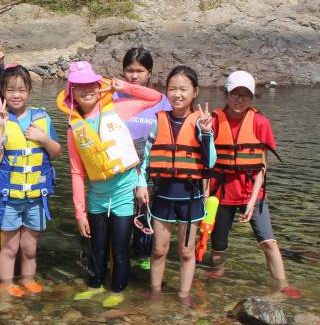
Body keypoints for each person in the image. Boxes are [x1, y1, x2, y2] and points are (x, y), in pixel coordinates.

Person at [58, 61, 162, 306]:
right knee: (98, 249)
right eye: (79, 87)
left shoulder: (118, 110)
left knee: (120, 248)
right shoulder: (75, 127)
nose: (86, 91)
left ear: (98, 85)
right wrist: (79, 213)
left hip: (124, 190)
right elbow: (76, 173)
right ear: (71, 91)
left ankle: (117, 291)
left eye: (90, 85)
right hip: (96, 195)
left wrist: (124, 85)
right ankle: (95, 285)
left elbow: (155, 98)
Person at [208, 70, 298, 296]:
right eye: (235, 94)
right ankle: (216, 277)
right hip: (222, 191)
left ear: (251, 97)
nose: (239, 99)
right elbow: (205, 161)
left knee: (268, 242)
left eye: (245, 95)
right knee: (218, 245)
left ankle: (282, 285)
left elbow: (262, 166)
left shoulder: (260, 122)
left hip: (252, 191)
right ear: (226, 93)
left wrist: (251, 201)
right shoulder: (213, 121)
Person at [138, 65, 216, 307]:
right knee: (159, 249)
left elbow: (211, 161)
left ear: (195, 92)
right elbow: (147, 158)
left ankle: (184, 295)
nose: (177, 94)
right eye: (172, 89)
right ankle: (155, 292)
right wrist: (141, 184)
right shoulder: (159, 120)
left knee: (186, 251)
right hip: (163, 195)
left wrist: (206, 134)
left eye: (183, 89)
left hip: (190, 197)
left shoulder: (200, 123)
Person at [0, 65, 61, 296]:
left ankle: (28, 279)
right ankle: (5, 283)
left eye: (21, 89)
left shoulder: (42, 118)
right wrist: (0, 126)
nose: (16, 95)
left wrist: (44, 138)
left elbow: (57, 152)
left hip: (36, 197)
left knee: (29, 247)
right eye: (10, 90)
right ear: (3, 92)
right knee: (9, 247)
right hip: (9, 197)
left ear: (29, 91)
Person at [119, 47, 173, 269]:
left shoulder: (161, 101)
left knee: (145, 212)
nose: (134, 76)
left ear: (149, 72)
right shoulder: (113, 97)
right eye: (129, 70)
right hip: (120, 162)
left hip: (149, 164)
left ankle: (142, 257)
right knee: (122, 213)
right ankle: (120, 255)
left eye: (140, 71)